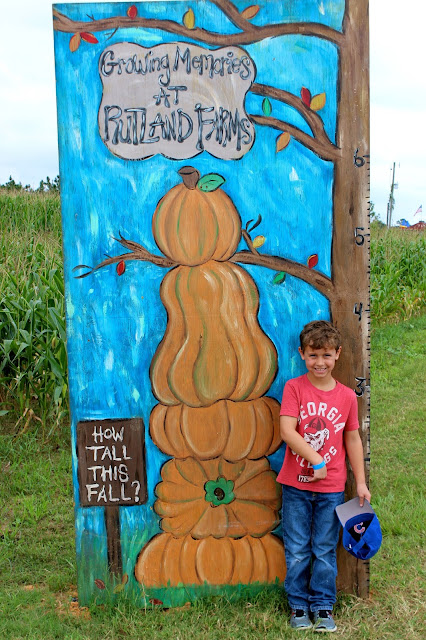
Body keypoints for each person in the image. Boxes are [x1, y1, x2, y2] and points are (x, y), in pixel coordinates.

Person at [278, 320, 370, 632]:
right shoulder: (294, 388)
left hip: (331, 489)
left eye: (327, 355)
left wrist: (360, 483)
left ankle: (322, 606)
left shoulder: (346, 396)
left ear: (338, 354)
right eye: (313, 355)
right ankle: (298, 606)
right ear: (302, 353)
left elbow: (352, 439)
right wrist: (316, 459)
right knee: (297, 549)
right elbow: (287, 431)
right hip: (296, 486)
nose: (320, 362)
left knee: (324, 548)